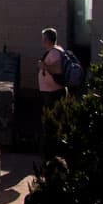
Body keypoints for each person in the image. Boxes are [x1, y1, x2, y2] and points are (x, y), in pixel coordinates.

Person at [37, 27, 66, 158]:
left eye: (43, 38)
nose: (42, 41)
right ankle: (50, 151)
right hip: (51, 92)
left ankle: (50, 153)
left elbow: (58, 70)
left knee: (50, 123)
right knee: (51, 122)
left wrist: (44, 66)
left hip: (52, 93)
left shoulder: (54, 53)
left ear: (47, 40)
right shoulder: (57, 51)